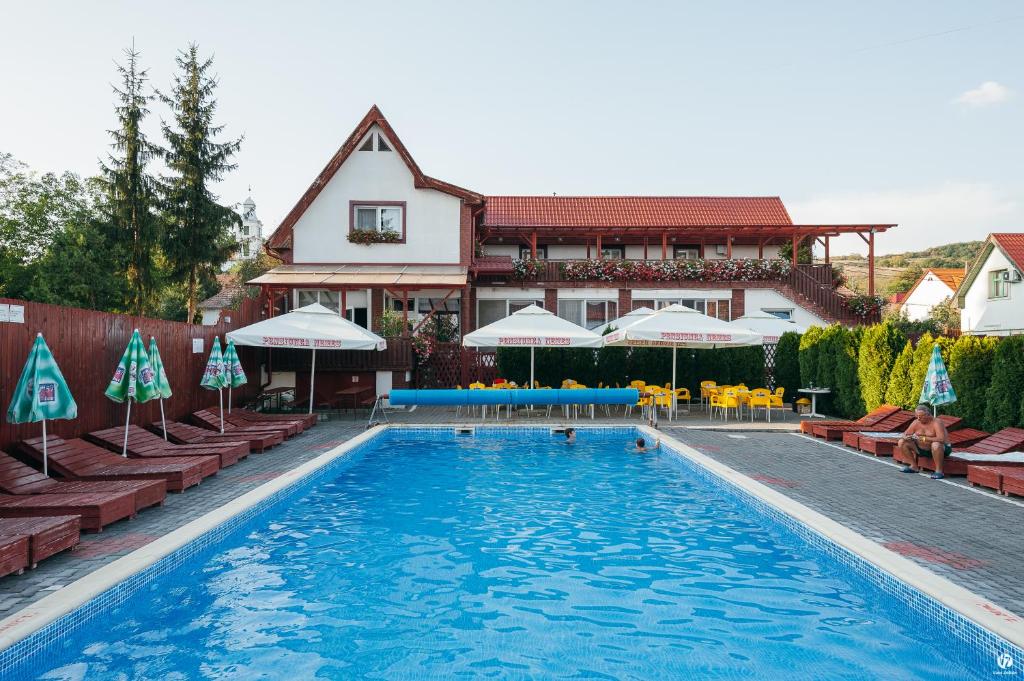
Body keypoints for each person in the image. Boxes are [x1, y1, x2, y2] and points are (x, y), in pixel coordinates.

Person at [896, 403, 952, 479]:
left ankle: (939, 471)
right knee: (902, 442)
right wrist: (906, 437)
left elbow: (941, 439)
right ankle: (913, 466)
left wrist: (924, 438)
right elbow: (904, 434)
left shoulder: (937, 422)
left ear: (928, 415)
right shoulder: (916, 422)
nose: (918, 418)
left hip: (941, 449)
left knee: (936, 444)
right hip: (920, 449)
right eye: (917, 416)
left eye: (921, 416)